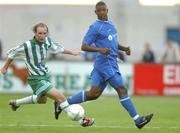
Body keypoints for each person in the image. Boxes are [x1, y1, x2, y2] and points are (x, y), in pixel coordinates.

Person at [54, 1, 153, 129]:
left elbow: (112, 42)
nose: (101, 12)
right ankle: (138, 120)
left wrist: (124, 48)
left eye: (103, 10)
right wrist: (100, 49)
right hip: (106, 63)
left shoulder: (111, 25)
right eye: (99, 11)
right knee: (122, 90)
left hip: (104, 63)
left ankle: (61, 104)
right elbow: (84, 46)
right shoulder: (95, 27)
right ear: (95, 12)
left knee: (93, 94)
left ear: (107, 10)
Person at [0, 22, 94, 127]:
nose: (42, 36)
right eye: (40, 33)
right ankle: (82, 121)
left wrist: (73, 52)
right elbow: (12, 53)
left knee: (42, 100)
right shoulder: (27, 45)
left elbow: (59, 49)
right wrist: (5, 67)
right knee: (60, 97)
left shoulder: (47, 41)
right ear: (35, 33)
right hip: (35, 79)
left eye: (44, 33)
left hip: (44, 77)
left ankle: (16, 103)